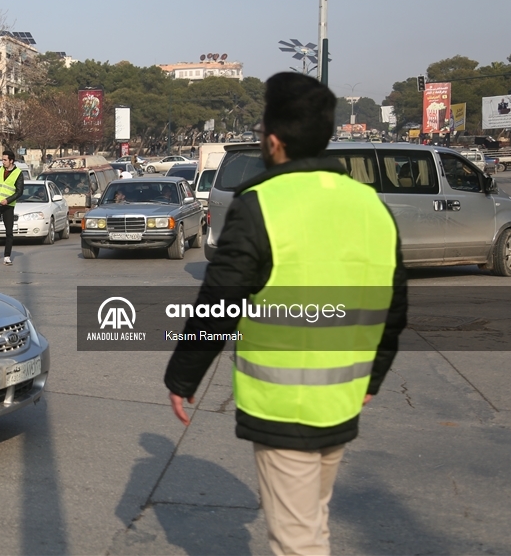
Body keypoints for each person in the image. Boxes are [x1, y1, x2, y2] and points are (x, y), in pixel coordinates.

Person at [163, 72, 407, 556]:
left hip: (284, 407)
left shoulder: (260, 206)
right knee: (312, 526)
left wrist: (182, 377)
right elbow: (394, 307)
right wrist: (373, 379)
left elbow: (219, 304)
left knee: (296, 542)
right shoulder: (371, 205)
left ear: (273, 142)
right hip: (342, 400)